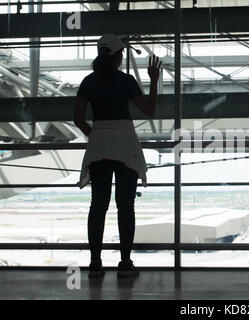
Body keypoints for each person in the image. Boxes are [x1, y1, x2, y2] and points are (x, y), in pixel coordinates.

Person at [74, 34, 161, 278]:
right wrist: (153, 80)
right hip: (125, 142)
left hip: (99, 143)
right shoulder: (126, 81)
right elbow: (150, 110)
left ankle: (95, 263)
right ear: (119, 56)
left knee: (98, 206)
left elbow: (78, 119)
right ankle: (124, 263)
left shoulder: (88, 81)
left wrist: (96, 136)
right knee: (126, 206)